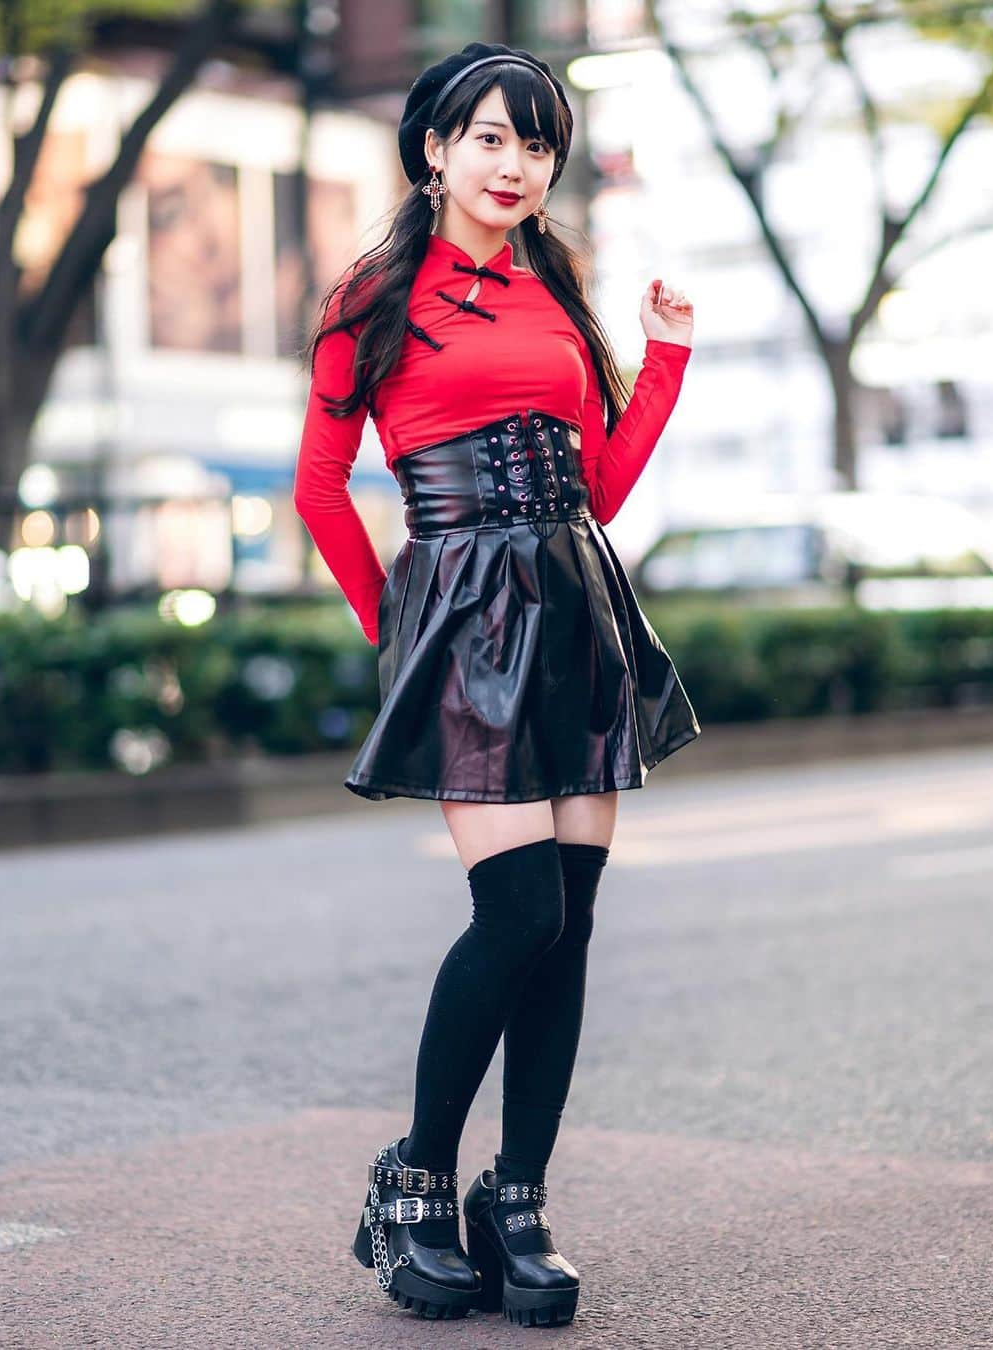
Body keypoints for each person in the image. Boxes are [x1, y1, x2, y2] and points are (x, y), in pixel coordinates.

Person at [292, 41, 701, 1327]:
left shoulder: (557, 288)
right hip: (463, 618)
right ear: (434, 150)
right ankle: (411, 1183)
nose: (511, 163)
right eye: (487, 136)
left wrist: (664, 360)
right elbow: (320, 485)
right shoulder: (375, 295)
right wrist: (395, 633)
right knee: (515, 910)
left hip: (576, 604)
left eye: (534, 143)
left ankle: (513, 1199)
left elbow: (601, 488)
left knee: (570, 921)